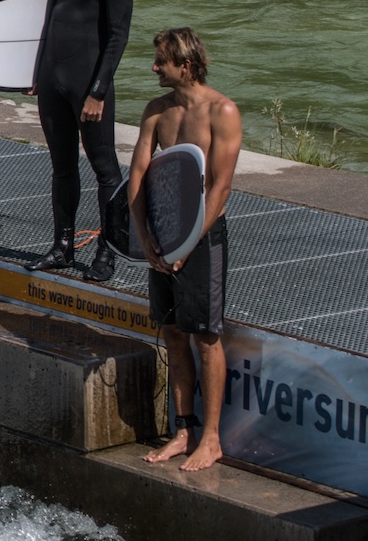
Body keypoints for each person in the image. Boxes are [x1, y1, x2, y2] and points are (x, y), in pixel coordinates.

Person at [130, 27, 241, 473]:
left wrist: (189, 242)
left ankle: (211, 439)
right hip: (163, 236)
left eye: (162, 61)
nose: (154, 67)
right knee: (173, 332)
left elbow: (221, 186)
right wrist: (147, 239)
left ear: (186, 65)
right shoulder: (157, 111)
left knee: (206, 336)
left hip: (203, 237)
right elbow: (137, 176)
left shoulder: (221, 111)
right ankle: (184, 430)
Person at [26, 0, 134, 282]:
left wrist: (98, 91)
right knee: (62, 166)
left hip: (88, 81)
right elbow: (40, 12)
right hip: (52, 77)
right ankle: (62, 247)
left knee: (105, 169)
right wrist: (31, 70)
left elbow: (118, 34)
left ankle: (109, 251)